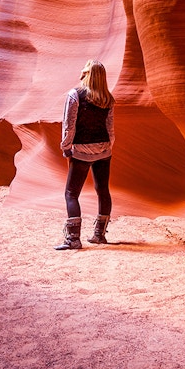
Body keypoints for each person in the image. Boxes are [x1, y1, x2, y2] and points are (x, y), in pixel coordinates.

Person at [54, 59, 115, 250]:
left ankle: (73, 239)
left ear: (86, 74)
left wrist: (66, 147)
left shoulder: (76, 95)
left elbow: (68, 124)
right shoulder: (108, 98)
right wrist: (107, 147)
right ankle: (99, 235)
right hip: (104, 149)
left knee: (71, 193)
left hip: (82, 150)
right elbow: (110, 128)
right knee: (102, 190)